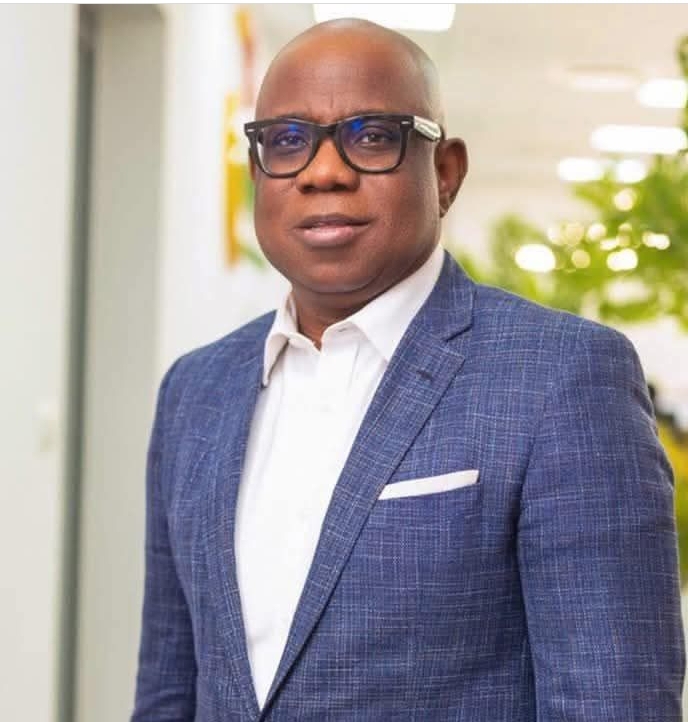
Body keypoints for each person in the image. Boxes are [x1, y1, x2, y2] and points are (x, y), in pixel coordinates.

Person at [131, 18, 685, 722]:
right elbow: (168, 688)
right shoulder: (195, 391)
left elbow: (613, 703)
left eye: (371, 136)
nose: (323, 172)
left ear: (445, 173)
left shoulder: (560, 378)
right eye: (287, 140)